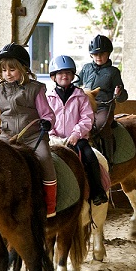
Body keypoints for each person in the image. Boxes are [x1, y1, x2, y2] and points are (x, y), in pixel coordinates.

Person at [0, 43, 57, 216]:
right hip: (7, 138)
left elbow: (48, 113)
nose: (7, 74)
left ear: (23, 69)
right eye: (4, 70)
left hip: (33, 136)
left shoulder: (36, 89)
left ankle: (50, 204)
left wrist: (47, 122)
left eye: (12, 69)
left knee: (45, 158)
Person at [46, 55, 109, 206]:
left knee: (90, 157)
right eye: (60, 73)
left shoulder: (81, 96)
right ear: (54, 77)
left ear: (73, 75)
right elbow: (46, 117)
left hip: (77, 139)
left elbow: (87, 118)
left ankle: (97, 191)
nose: (65, 76)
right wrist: (51, 134)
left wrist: (76, 134)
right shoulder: (48, 97)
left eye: (68, 73)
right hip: (54, 139)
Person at [75, 34, 128, 165]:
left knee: (100, 126)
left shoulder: (113, 72)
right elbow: (76, 83)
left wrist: (119, 93)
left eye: (102, 53)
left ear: (108, 54)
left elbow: (123, 97)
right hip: (85, 106)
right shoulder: (86, 68)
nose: (98, 57)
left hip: (103, 107)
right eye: (95, 54)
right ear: (91, 55)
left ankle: (108, 159)